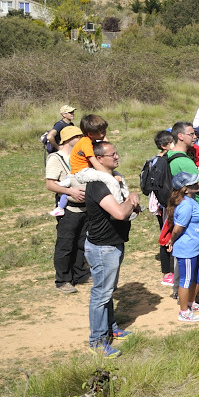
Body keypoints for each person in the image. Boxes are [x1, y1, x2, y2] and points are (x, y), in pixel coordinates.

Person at [79, 141, 140, 357]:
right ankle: (97, 342)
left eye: (116, 153)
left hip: (112, 244)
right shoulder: (98, 185)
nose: (117, 157)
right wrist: (132, 200)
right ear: (99, 159)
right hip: (103, 248)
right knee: (101, 294)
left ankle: (110, 329)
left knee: (107, 291)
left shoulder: (113, 181)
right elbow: (120, 213)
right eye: (112, 154)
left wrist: (130, 200)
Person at [45, 125, 88, 293]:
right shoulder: (56, 158)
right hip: (69, 209)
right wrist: (70, 191)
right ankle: (63, 280)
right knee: (65, 244)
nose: (82, 140)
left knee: (81, 242)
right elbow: (50, 184)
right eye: (78, 137)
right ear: (69, 139)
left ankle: (79, 274)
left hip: (84, 208)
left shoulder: (80, 156)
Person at [165, 171, 199, 322]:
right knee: (186, 280)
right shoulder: (185, 205)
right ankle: (184, 312)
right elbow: (177, 229)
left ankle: (190, 303)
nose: (197, 183)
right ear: (185, 188)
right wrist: (171, 241)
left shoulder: (190, 200)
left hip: (195, 247)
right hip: (187, 249)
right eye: (193, 183)